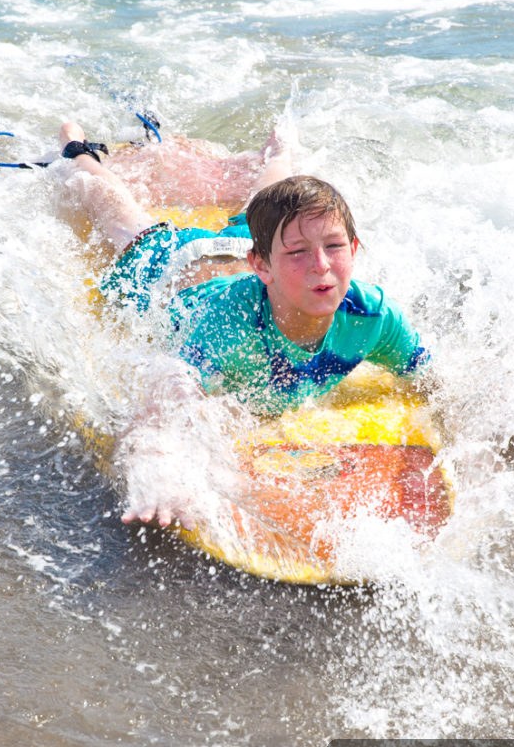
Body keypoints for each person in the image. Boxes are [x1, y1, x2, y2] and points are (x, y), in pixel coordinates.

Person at [57, 118, 429, 528]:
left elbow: (433, 378)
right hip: (175, 265)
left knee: (272, 204)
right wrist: (159, 470)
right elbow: (163, 395)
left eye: (335, 246)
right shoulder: (230, 328)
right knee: (122, 218)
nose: (322, 266)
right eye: (301, 253)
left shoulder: (373, 317)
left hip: (249, 245)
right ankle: (78, 152)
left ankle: (279, 150)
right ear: (263, 266)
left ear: (354, 249)